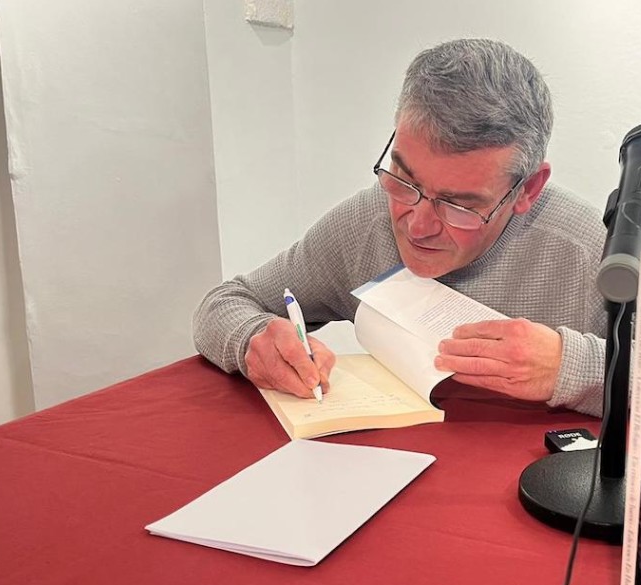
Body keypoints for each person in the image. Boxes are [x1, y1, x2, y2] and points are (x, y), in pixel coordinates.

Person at [193, 38, 608, 416]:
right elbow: (224, 302)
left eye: (459, 205)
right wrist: (253, 339)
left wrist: (569, 367)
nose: (418, 225)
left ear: (527, 190)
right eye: (405, 180)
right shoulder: (366, 221)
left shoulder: (593, 251)